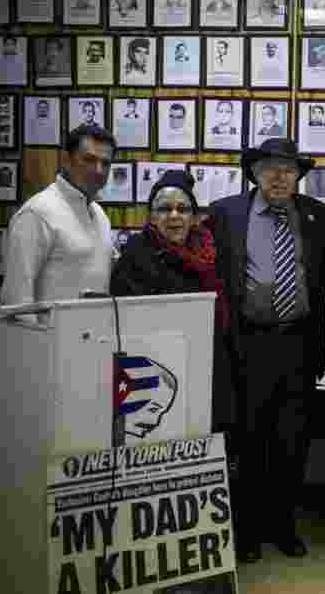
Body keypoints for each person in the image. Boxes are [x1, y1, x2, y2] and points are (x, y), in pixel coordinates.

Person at [208, 139, 325, 563]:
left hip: (298, 343)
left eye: (288, 169)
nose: (280, 176)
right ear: (255, 172)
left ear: (298, 174)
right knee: (247, 441)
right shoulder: (226, 214)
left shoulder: (317, 216)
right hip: (247, 344)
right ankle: (246, 531)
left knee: (292, 441)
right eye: (270, 168)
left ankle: (283, 525)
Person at [109, 169, 236, 450]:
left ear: (193, 217)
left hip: (211, 367)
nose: (174, 216)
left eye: (182, 208)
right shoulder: (135, 256)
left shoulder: (210, 252)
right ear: (152, 216)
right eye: (164, 209)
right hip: (158, 372)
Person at [2, 125, 116, 307]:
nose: (98, 170)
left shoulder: (100, 215)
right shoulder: (37, 213)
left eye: (105, 163)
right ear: (66, 160)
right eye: (89, 160)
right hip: (50, 335)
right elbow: (16, 300)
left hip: (96, 333)